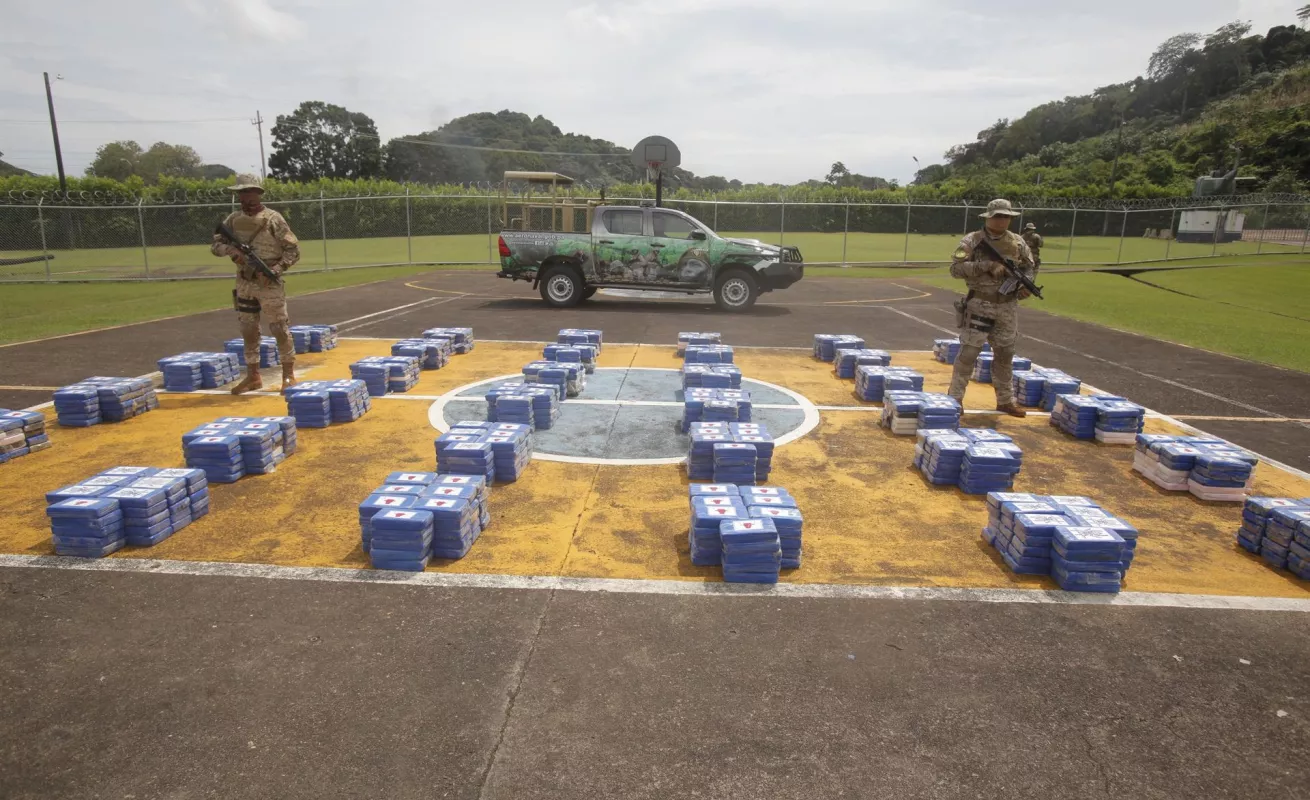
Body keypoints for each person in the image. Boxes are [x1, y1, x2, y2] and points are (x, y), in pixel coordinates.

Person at [946, 198, 1037, 418]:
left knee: (1005, 354)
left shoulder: (1018, 242)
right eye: (997, 216)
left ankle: (1005, 400)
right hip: (979, 304)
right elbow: (955, 269)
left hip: (1006, 307)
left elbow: (1029, 267)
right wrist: (986, 266)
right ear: (989, 217)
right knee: (968, 353)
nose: (1002, 220)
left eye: (1006, 216)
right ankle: (954, 399)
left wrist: (1024, 286)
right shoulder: (973, 241)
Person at [211, 174, 301, 394]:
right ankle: (253, 376)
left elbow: (293, 251)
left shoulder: (273, 219)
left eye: (248, 191)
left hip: (268, 282)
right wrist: (231, 251)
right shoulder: (232, 220)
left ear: (258, 193)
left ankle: (288, 375)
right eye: (240, 192)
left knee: (279, 327)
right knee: (248, 328)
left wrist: (275, 270)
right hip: (244, 282)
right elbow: (215, 245)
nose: (244, 197)